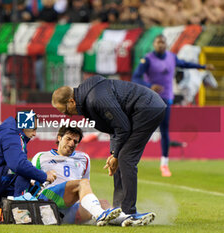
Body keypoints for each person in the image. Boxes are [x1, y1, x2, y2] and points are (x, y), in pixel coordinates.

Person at [51, 75, 166, 226]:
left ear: (72, 101)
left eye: (65, 110)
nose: (67, 115)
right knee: (120, 159)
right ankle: (118, 211)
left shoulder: (95, 99)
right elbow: (114, 127)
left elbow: (122, 127)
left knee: (126, 158)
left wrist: (117, 155)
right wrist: (113, 154)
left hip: (149, 109)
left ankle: (130, 213)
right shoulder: (87, 100)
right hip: (140, 111)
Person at [132, 34, 215, 177]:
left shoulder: (171, 57)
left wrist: (202, 66)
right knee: (140, 129)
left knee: (164, 130)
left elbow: (185, 64)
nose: (161, 45)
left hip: (166, 99)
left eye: (163, 42)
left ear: (166, 44)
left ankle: (164, 164)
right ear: (154, 44)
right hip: (149, 99)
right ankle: (129, 158)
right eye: (158, 42)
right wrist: (150, 86)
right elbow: (135, 77)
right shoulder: (148, 59)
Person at [0, 115, 57, 223]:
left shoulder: (8, 133)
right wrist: (44, 176)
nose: (35, 134)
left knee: (29, 188)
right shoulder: (12, 135)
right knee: (23, 169)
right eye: (33, 129)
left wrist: (26, 186)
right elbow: (18, 165)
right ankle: (18, 212)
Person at [32, 126, 124, 226]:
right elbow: (30, 182)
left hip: (69, 206)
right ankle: (100, 214)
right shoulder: (41, 156)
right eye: (68, 139)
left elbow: (84, 189)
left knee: (103, 204)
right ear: (59, 138)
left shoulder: (84, 158)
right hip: (47, 200)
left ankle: (125, 219)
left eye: (75, 141)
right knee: (82, 184)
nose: (72, 144)